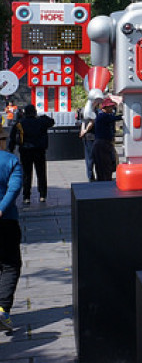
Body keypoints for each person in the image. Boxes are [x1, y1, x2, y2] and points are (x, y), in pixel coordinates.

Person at [8, 104, 55, 205]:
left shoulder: (20, 123)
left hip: (25, 151)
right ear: (35, 111)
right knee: (41, 173)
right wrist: (42, 116)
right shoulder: (41, 121)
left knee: (26, 174)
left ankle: (26, 197)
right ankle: (42, 195)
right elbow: (52, 122)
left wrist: (11, 150)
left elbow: (12, 137)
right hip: (39, 150)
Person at [0, 150, 22, 332]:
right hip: (6, 222)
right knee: (10, 265)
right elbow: (14, 188)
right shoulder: (10, 160)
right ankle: (2, 309)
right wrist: (1, 208)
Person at [92, 98, 122, 181]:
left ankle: (104, 180)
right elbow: (114, 118)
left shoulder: (103, 115)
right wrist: (123, 116)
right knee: (105, 165)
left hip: (103, 143)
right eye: (110, 107)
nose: (112, 108)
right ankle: (105, 181)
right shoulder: (103, 116)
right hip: (102, 144)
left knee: (105, 165)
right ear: (105, 108)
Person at [79, 103, 97, 181]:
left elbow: (83, 122)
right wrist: (85, 130)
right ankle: (91, 176)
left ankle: (90, 175)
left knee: (88, 157)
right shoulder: (93, 111)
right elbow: (91, 122)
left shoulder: (84, 110)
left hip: (86, 136)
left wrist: (82, 131)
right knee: (92, 157)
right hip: (92, 136)